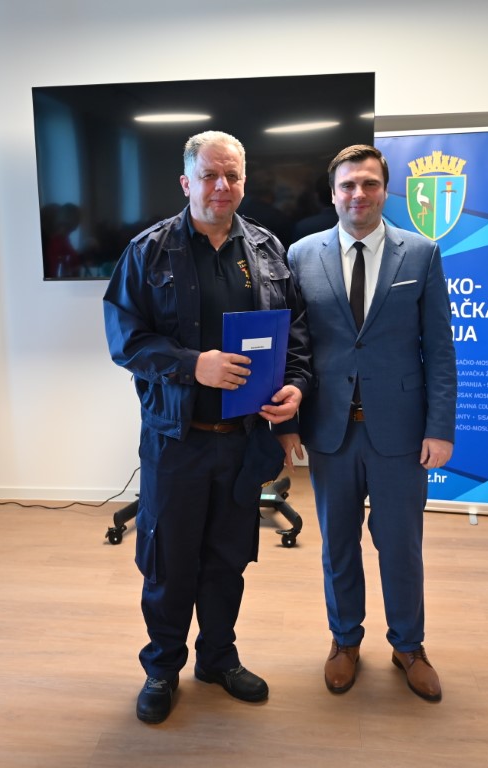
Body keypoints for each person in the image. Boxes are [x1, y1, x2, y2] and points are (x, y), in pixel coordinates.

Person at [103, 130, 310, 725]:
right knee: (169, 562)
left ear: (244, 181)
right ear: (186, 182)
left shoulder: (268, 250)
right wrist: (195, 365)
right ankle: (162, 668)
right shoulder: (148, 252)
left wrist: (295, 390)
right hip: (177, 440)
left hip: (243, 440)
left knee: (227, 559)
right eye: (210, 175)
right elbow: (126, 341)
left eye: (233, 176)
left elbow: (295, 334)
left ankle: (218, 658)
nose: (223, 186)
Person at [279, 144, 456, 702]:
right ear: (333, 194)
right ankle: (345, 640)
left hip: (401, 432)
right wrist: (287, 425)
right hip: (329, 429)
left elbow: (440, 350)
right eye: (348, 185)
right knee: (338, 544)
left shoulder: (421, 253)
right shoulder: (300, 254)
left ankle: (409, 646)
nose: (359, 194)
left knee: (401, 544)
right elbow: (292, 347)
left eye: (370, 184)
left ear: (385, 190)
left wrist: (440, 427)